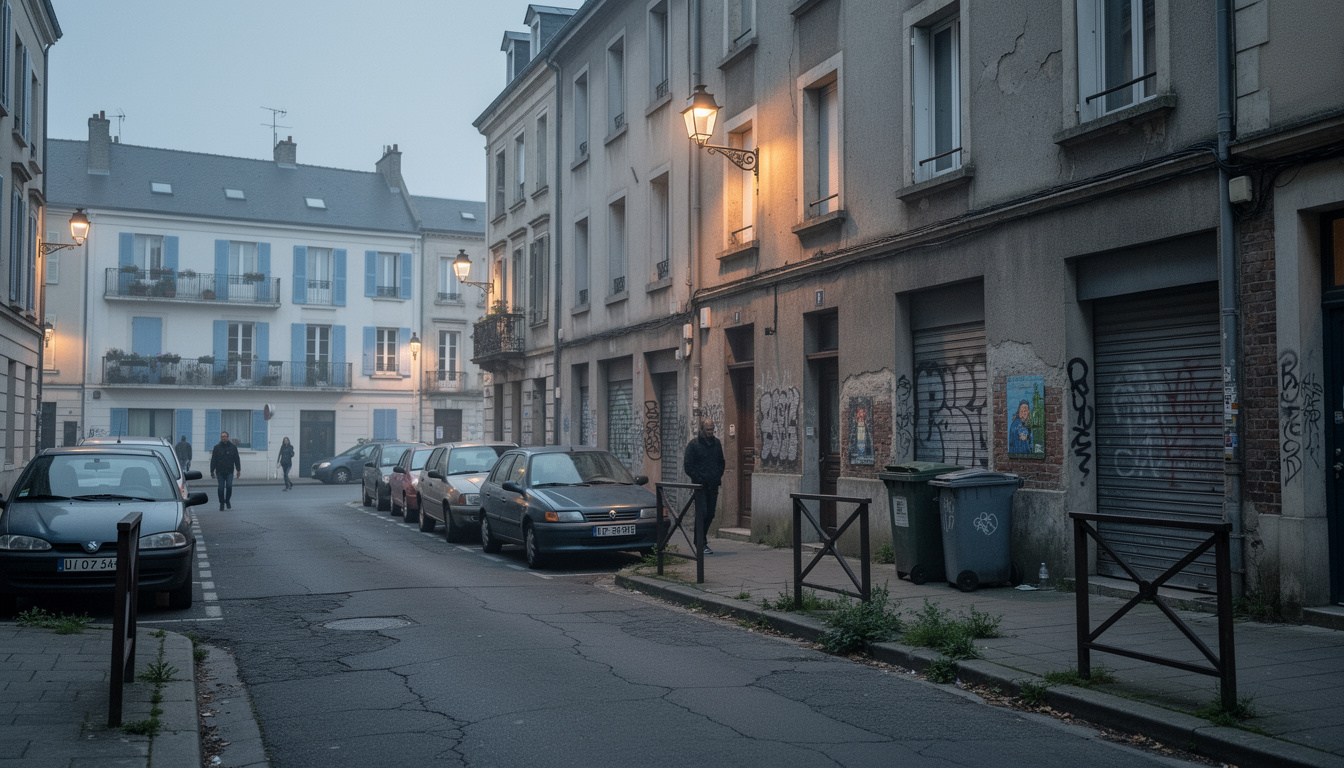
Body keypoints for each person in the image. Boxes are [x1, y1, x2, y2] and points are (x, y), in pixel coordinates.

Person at [683, 417, 725, 555]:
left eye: (712, 429)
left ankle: (701, 539)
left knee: (711, 514)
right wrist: (698, 478)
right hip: (700, 486)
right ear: (702, 430)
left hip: (713, 484)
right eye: (708, 430)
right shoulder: (693, 445)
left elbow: (721, 462)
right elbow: (688, 466)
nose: (710, 432)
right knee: (703, 513)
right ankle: (701, 542)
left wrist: (717, 475)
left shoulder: (716, 443)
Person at [210, 431, 241, 510]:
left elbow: (237, 459)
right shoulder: (217, 447)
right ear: (221, 438)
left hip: (229, 471)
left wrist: (238, 470)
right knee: (220, 488)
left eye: (225, 436)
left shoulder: (233, 447)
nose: (224, 438)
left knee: (229, 487)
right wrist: (212, 471)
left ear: (228, 437)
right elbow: (213, 460)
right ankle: (221, 503)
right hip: (220, 471)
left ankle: (227, 500)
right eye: (222, 437)